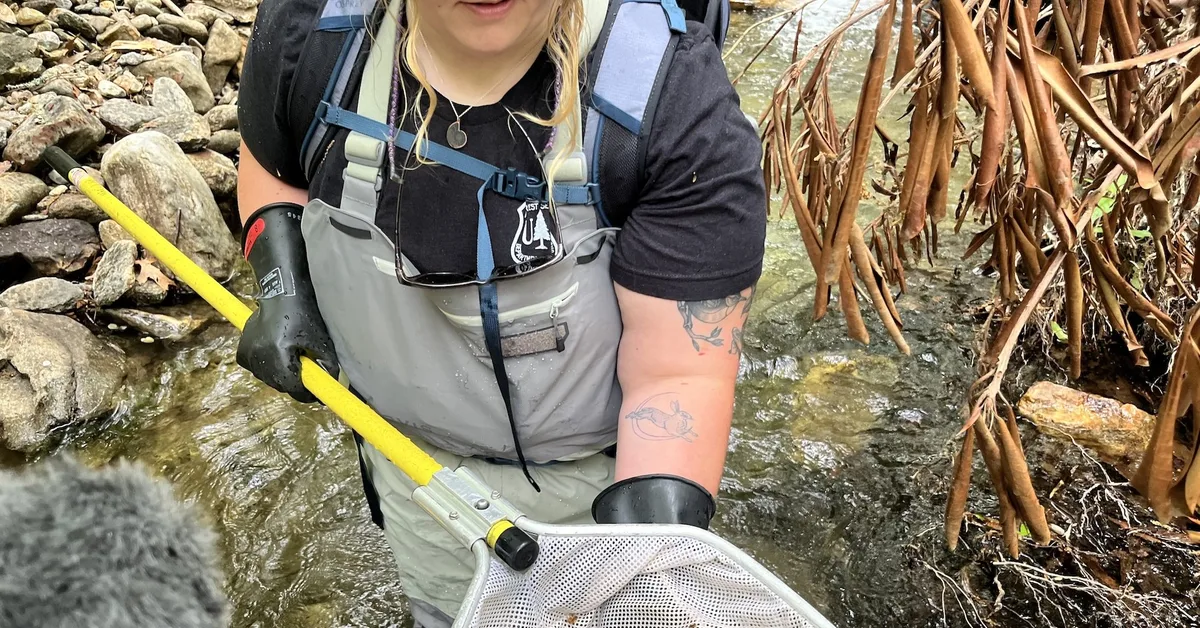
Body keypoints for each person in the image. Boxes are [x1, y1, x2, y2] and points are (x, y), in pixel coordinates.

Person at [235, 0, 766, 623]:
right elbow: (273, 164)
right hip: (413, 471)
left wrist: (649, 555)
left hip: (598, 497)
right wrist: (280, 281)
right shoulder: (310, 34)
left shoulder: (674, 101)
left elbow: (679, 376)